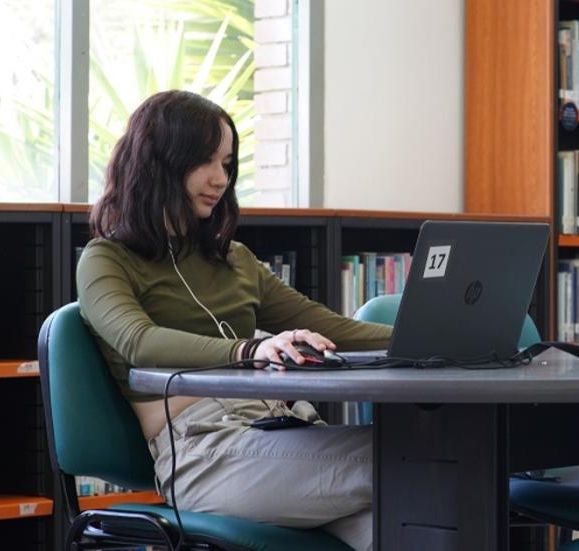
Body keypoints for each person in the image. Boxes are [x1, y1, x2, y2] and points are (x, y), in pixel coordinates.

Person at [76, 90, 392, 551]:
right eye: (206, 161)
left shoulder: (235, 260)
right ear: (160, 162)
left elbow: (335, 329)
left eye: (227, 164)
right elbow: (138, 340)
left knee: (421, 521)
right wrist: (249, 351)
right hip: (203, 452)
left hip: (286, 430)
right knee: (408, 461)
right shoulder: (106, 260)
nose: (220, 179)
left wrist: (435, 338)